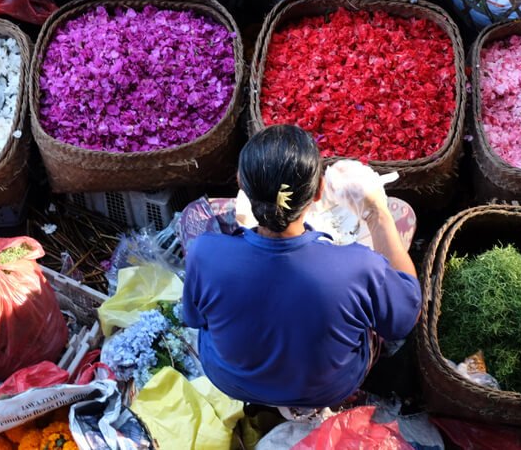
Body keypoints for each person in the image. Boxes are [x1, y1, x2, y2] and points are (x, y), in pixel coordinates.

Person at [181, 124, 422, 409]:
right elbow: (404, 320)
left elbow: (195, 319)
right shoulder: (360, 267)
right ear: (320, 190)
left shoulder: (205, 253)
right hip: (328, 389)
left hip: (231, 379)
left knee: (191, 218)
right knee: (399, 227)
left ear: (241, 184)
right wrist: (376, 212)